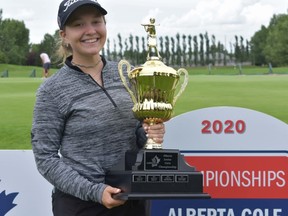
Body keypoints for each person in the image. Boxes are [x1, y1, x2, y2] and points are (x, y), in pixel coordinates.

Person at [31, 1, 165, 216]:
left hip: (133, 198)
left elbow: (137, 134)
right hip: (82, 204)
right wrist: (95, 191)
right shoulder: (52, 90)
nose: (90, 31)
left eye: (96, 22)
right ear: (64, 34)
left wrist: (149, 133)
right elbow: (45, 158)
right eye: (78, 24)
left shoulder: (128, 74)